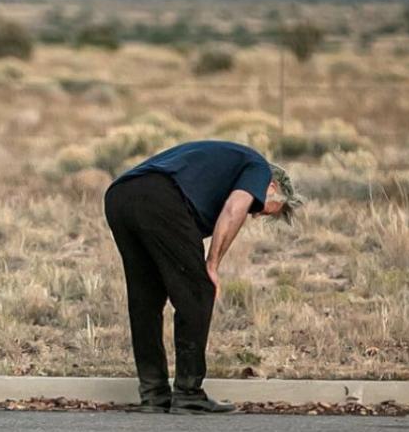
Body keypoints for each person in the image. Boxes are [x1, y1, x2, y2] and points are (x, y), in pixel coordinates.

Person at [103, 140, 303, 414]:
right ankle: (188, 393)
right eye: (259, 208)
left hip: (120, 196)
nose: (254, 215)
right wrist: (212, 264)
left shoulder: (224, 167)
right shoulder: (258, 168)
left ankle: (154, 395)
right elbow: (234, 209)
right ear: (272, 187)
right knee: (199, 291)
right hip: (159, 197)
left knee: (146, 300)